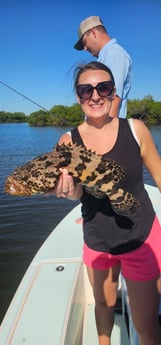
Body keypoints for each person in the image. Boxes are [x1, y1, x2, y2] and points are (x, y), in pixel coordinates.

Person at [53, 61, 161, 345]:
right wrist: (69, 191)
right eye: (86, 90)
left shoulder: (136, 130)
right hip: (98, 240)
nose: (95, 96)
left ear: (114, 93)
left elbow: (160, 176)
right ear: (78, 97)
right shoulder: (67, 141)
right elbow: (77, 194)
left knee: (147, 325)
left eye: (104, 87)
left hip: (141, 236)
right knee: (103, 303)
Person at [74, 16, 132, 118]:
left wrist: (104, 133)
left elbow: (113, 100)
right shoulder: (107, 56)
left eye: (84, 42)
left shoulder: (113, 54)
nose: (85, 48)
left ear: (93, 33)